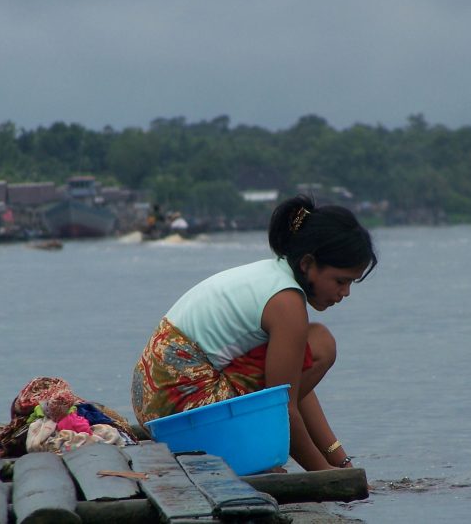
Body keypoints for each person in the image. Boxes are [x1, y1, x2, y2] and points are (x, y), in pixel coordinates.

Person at [131, 194, 377, 471]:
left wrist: (340, 461)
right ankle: (254, 458)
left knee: (301, 356)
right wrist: (326, 475)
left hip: (154, 403)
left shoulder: (271, 276)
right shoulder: (287, 302)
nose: (344, 293)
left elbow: (293, 385)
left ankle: (263, 453)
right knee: (320, 343)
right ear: (308, 264)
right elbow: (284, 405)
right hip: (180, 406)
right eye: (340, 281)